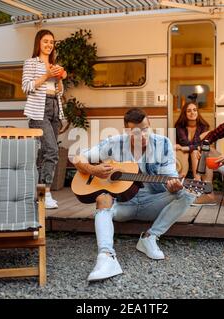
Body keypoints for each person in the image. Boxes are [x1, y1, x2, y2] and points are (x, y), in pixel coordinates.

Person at [73, 108, 196, 281]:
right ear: (127, 131)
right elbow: (77, 158)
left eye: (145, 129)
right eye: (136, 132)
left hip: (152, 202)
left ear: (150, 125)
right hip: (122, 205)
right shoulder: (115, 142)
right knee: (102, 197)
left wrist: (174, 186)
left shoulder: (163, 143)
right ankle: (107, 257)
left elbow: (170, 176)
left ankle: (150, 237)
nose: (143, 135)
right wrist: (93, 169)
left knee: (188, 193)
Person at [22, 29, 67, 209]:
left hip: (54, 108)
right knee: (52, 151)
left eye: (51, 42)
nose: (49, 45)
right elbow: (26, 87)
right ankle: (46, 193)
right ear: (38, 43)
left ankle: (40, 192)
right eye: (45, 41)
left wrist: (60, 78)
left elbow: (60, 92)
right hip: (39, 110)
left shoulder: (55, 64)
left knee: (45, 153)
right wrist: (47, 75)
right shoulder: (31, 63)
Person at [174, 101, 210, 181]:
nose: (192, 113)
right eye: (189, 111)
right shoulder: (180, 127)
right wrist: (188, 147)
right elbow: (184, 143)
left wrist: (185, 148)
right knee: (192, 151)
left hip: (198, 154)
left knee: (194, 152)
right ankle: (181, 179)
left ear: (197, 112)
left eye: (194, 110)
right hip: (182, 156)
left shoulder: (203, 126)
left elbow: (202, 145)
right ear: (185, 113)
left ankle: (197, 181)